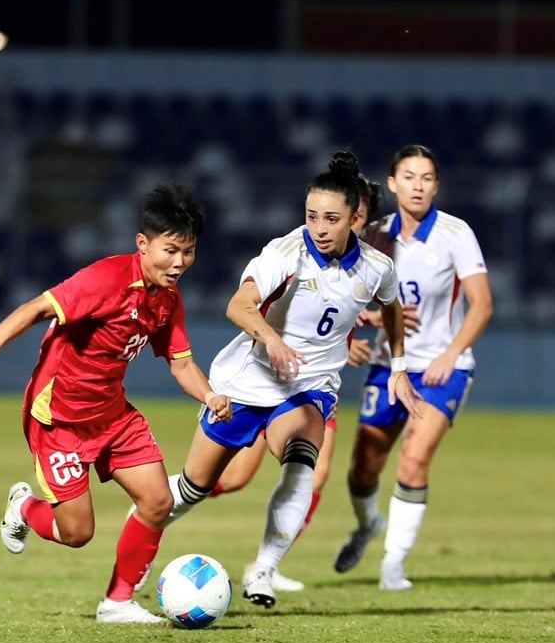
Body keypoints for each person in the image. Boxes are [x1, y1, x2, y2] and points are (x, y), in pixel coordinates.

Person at [0, 181, 232, 625]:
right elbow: (37, 308)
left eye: (188, 252)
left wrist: (210, 394)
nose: (179, 262)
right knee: (77, 533)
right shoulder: (106, 280)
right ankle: (23, 507)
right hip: (58, 418)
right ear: (143, 244)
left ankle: (117, 603)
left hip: (113, 415)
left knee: (158, 501)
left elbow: (181, 364)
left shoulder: (167, 300)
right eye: (170, 250)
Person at [158, 150, 423, 610]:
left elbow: (393, 307)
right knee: (195, 487)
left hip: (309, 386)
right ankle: (145, 526)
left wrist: (398, 367)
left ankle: (263, 569)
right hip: (250, 381)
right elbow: (238, 306)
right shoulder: (286, 252)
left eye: (331, 219)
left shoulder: (376, 267)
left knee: (303, 464)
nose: (319, 227)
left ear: (354, 219)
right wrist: (271, 339)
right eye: (311, 215)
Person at [333, 143, 493, 591]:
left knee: (414, 456)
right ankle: (368, 525)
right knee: (362, 469)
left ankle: (393, 563)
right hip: (390, 366)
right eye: (409, 177)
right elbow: (340, 296)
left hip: (444, 369)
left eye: (426, 178)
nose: (417, 186)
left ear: (436, 186)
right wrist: (356, 330)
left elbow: (482, 304)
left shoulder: (456, 234)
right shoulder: (375, 236)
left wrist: (450, 354)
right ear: (393, 184)